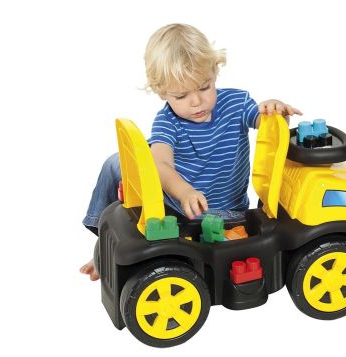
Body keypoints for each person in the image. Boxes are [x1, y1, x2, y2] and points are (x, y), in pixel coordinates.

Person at [80, 24, 300, 279]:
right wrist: (183, 191)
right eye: (181, 95)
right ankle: (103, 242)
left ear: (214, 72)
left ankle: (108, 248)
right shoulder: (167, 122)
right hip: (176, 203)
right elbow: (160, 164)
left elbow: (269, 126)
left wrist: (276, 112)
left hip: (225, 213)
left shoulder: (237, 104)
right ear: (162, 92)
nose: (196, 101)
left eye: (204, 87)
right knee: (114, 163)